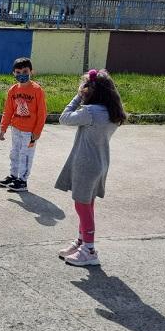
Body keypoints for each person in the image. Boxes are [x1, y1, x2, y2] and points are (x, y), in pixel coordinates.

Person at [55, 70, 127, 267]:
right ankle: (81, 242)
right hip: (100, 163)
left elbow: (64, 118)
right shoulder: (111, 113)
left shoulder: (91, 112)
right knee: (88, 204)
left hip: (86, 164)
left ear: (92, 91)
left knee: (82, 206)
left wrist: (77, 97)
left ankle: (89, 249)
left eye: (85, 87)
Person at [0, 57, 47, 193]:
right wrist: (3, 128)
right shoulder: (13, 90)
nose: (21, 75)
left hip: (29, 132)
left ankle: (22, 181)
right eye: (18, 72)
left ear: (31, 71)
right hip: (16, 129)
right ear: (13, 73)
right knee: (15, 153)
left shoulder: (37, 90)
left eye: (25, 71)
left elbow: (42, 113)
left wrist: (37, 131)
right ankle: (13, 176)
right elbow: (8, 110)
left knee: (25, 155)